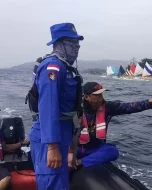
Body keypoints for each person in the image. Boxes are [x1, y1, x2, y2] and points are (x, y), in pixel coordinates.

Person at [29, 23, 84, 190]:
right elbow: (48, 107)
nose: (76, 49)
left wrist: (72, 149)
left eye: (78, 45)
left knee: (60, 183)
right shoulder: (53, 67)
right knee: (51, 184)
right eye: (72, 44)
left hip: (62, 134)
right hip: (50, 139)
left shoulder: (66, 68)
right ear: (58, 44)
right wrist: (52, 146)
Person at [68, 82, 152, 168]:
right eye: (97, 95)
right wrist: (70, 152)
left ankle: (80, 162)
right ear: (87, 97)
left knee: (112, 151)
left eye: (101, 94)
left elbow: (128, 107)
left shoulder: (108, 107)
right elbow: (66, 132)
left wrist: (149, 102)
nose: (101, 98)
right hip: (77, 148)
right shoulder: (75, 110)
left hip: (95, 148)